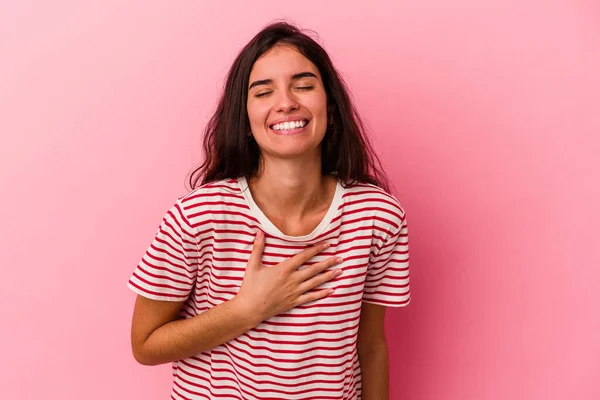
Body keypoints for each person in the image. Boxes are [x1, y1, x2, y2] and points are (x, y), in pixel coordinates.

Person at [127, 21, 410, 400]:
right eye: (263, 92)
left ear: (332, 108)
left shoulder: (377, 217)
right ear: (244, 120)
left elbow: (371, 343)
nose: (287, 102)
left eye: (304, 85)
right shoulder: (198, 216)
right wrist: (247, 310)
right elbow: (145, 344)